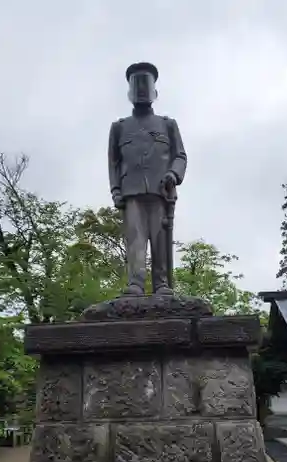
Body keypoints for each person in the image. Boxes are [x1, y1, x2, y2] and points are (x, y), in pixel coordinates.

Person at [108, 62, 187, 295]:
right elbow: (114, 162)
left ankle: (162, 283)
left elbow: (180, 156)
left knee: (160, 238)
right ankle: (136, 283)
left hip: (160, 190)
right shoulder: (119, 127)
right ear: (129, 92)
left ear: (155, 92)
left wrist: (173, 174)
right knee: (135, 238)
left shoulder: (167, 124)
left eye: (146, 83)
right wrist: (115, 190)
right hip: (131, 190)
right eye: (137, 84)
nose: (141, 90)